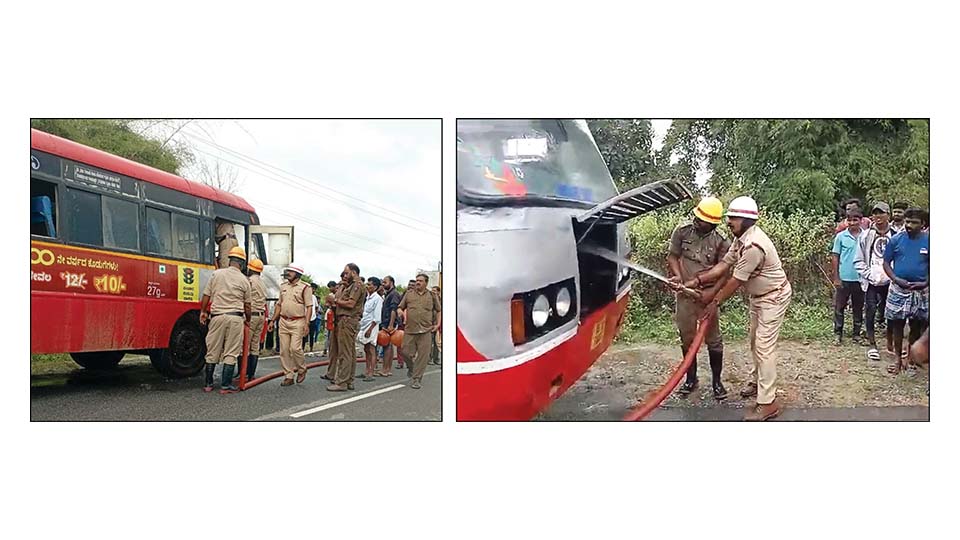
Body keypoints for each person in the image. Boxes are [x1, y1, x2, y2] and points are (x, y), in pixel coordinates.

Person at [673, 196, 792, 421]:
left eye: (733, 218)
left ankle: (768, 403)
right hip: (759, 296)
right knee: (755, 342)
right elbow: (721, 267)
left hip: (773, 297)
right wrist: (694, 282)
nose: (728, 222)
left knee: (764, 347)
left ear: (747, 220)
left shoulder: (753, 246)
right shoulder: (740, 239)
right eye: (728, 218)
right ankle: (758, 383)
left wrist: (713, 301)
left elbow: (734, 281)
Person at [666, 197, 731, 399]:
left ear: (712, 223)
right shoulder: (682, 232)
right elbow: (672, 256)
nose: (696, 220)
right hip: (685, 295)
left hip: (707, 298)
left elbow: (725, 273)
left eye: (702, 219)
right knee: (687, 338)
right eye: (697, 215)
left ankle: (717, 382)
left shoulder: (722, 242)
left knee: (714, 341)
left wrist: (712, 295)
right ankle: (691, 379)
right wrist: (677, 275)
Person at [198, 246, 251, 394]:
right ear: (242, 263)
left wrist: (203, 311)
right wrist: (248, 319)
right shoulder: (244, 280)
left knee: (212, 350)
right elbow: (247, 305)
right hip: (235, 318)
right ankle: (225, 386)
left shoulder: (217, 274)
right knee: (231, 352)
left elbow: (206, 295)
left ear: (230, 260)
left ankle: (208, 384)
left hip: (217, 317)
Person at [883, 208, 929, 375]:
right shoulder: (895, 240)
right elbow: (886, 263)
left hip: (921, 291)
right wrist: (895, 279)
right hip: (898, 289)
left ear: (923, 224)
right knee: (897, 326)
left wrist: (926, 282)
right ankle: (897, 361)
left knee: (916, 327)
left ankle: (910, 360)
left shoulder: (930, 241)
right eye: (907, 222)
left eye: (914, 222)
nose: (909, 225)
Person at [852, 202, 895, 360]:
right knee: (870, 310)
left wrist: (894, 276)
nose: (878, 217)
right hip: (872, 281)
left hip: (892, 281)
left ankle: (891, 344)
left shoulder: (896, 235)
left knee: (891, 313)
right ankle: (872, 344)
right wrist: (869, 275)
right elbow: (858, 261)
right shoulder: (866, 235)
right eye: (875, 214)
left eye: (881, 213)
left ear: (888, 215)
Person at [267, 263, 312, 386]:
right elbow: (279, 305)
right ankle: (289, 375)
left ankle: (302, 369)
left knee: (295, 348)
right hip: (283, 321)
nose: (287, 274)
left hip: (298, 321)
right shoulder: (283, 286)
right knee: (284, 350)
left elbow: (309, 307)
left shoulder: (305, 287)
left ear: (297, 274)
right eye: (287, 271)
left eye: (290, 272)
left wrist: (307, 324)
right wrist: (272, 320)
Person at [397, 273, 442, 389]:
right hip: (410, 330)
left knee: (423, 356)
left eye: (420, 281)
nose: (417, 282)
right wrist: (400, 312)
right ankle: (411, 368)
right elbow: (400, 307)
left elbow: (438, 310)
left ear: (426, 283)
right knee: (405, 352)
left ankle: (416, 379)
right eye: (417, 280)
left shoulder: (432, 295)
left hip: (426, 330)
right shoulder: (408, 294)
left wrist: (438, 324)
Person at [327, 263, 365, 391]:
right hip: (342, 320)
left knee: (345, 353)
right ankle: (349, 380)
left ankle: (342, 382)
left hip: (347, 321)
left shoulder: (357, 286)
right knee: (349, 352)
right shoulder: (346, 286)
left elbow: (350, 304)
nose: (344, 275)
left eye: (346, 273)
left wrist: (336, 301)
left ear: (354, 273)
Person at [831, 208, 866, 345]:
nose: (852, 223)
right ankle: (838, 334)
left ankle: (856, 334)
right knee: (840, 307)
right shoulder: (841, 237)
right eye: (849, 220)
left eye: (855, 220)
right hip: (844, 277)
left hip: (860, 278)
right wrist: (836, 277)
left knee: (858, 307)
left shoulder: (866, 236)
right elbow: (835, 256)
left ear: (861, 221)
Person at [244, 257, 268, 380]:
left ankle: (244, 373)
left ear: (250, 268)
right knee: (255, 345)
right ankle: (251, 375)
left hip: (251, 316)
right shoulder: (263, 283)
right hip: (261, 316)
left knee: (246, 345)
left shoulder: (249, 281)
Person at [358, 277, 383, 381]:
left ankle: (371, 373)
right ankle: (367, 371)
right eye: (367, 284)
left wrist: (370, 329)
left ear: (375, 287)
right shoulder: (368, 297)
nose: (367, 286)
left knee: (372, 349)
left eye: (370, 285)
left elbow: (377, 317)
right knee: (366, 349)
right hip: (365, 325)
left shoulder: (378, 299)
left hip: (371, 326)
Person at [377, 275, 401, 377]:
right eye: (382, 282)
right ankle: (387, 369)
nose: (383, 284)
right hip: (387, 322)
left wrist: (391, 324)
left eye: (385, 282)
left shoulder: (394, 294)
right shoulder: (388, 294)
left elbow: (393, 309)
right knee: (388, 346)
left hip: (389, 323)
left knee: (387, 346)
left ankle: (385, 370)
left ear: (391, 282)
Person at [322, 280, 337, 357]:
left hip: (335, 317)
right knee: (326, 334)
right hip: (328, 316)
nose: (330, 288)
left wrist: (333, 303)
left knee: (332, 335)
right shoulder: (329, 295)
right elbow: (326, 304)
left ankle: (332, 350)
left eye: (331, 287)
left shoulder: (338, 295)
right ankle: (325, 349)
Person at [307, 283, 322, 352]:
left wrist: (315, 313)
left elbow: (316, 306)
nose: (313, 290)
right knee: (304, 334)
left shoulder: (314, 297)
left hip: (313, 318)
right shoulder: (305, 295)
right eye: (313, 288)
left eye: (314, 289)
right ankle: (302, 348)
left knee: (312, 333)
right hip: (305, 317)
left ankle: (311, 349)